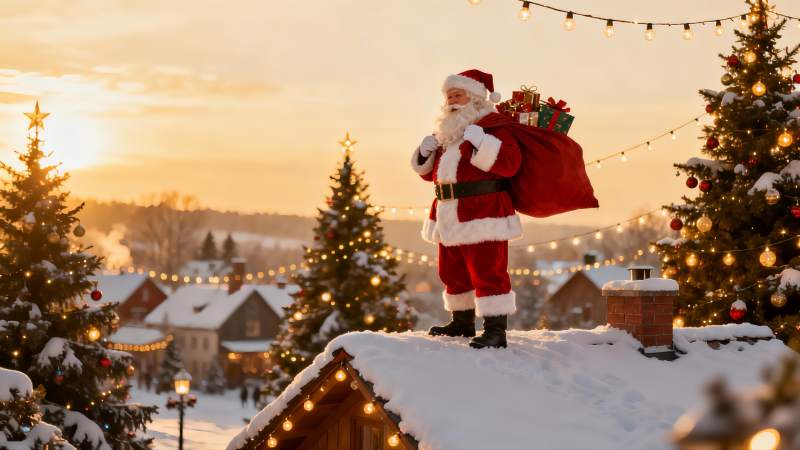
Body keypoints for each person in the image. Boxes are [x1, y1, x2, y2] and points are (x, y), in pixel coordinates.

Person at [411, 69, 521, 349]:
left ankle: (495, 331)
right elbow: (434, 174)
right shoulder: (449, 132)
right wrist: (425, 153)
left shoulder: (494, 126)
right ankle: (462, 322)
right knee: (452, 270)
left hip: (483, 212)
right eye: (448, 96)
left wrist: (482, 142)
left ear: (474, 97)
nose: (451, 101)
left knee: (488, 271)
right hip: (447, 211)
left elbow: (509, 163)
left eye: (457, 95)